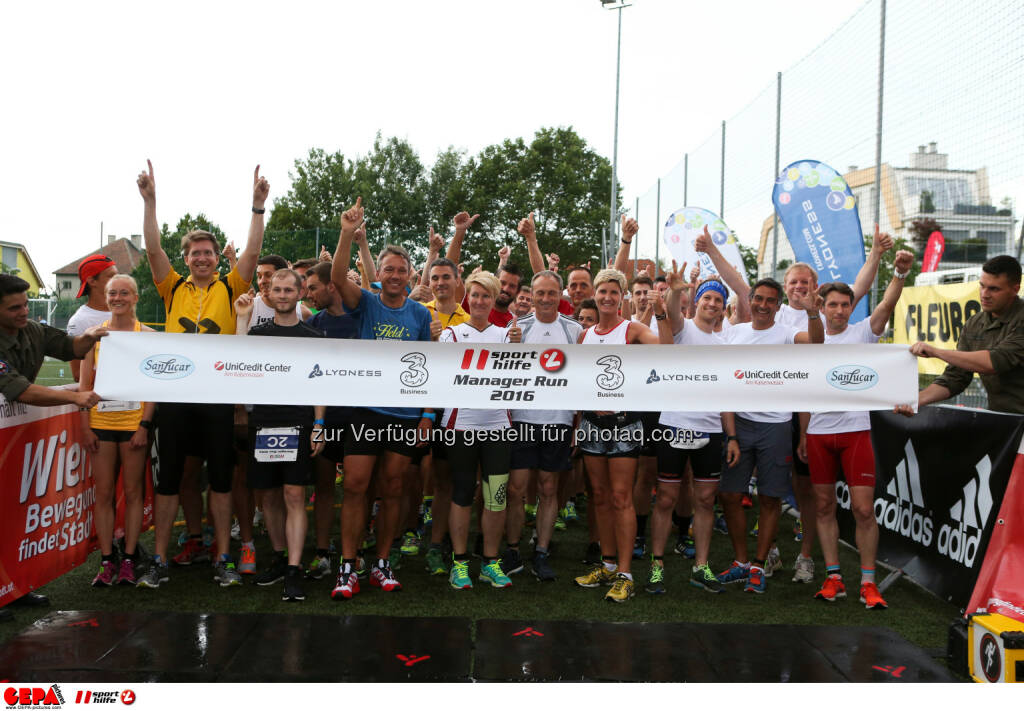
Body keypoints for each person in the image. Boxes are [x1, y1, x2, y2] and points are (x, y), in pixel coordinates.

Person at [134, 160, 268, 590]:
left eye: (209, 253)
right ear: (187, 258)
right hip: (174, 396)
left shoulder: (231, 285)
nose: (203, 258)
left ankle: (223, 557)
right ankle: (159, 560)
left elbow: (250, 251)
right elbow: (153, 249)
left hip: (216, 397)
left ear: (215, 258)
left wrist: (257, 207)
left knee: (222, 481)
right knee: (171, 478)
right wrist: (150, 202)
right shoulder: (171, 286)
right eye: (195, 254)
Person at [329, 197, 433, 599]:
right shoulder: (367, 301)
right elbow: (338, 278)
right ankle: (348, 565)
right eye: (387, 269)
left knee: (392, 488)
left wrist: (427, 415)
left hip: (405, 414)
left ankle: (382, 562)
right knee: (355, 485)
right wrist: (345, 232)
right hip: (365, 410)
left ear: (410, 275)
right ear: (380, 274)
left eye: (400, 270)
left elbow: (430, 369)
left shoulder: (420, 315)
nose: (393, 275)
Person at [775, 227, 892, 581]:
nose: (799, 287)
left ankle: (836, 568)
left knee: (853, 506)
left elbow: (869, 293)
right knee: (805, 494)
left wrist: (880, 258)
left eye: (805, 282)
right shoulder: (778, 313)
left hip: (845, 424)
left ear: (815, 288)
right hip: (799, 417)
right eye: (793, 282)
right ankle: (818, 568)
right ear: (787, 287)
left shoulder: (844, 318)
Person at [801, 249, 914, 610]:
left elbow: (884, 306)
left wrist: (898, 274)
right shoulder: (810, 337)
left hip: (855, 431)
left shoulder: (864, 332)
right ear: (822, 307)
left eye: (844, 305)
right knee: (823, 506)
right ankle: (834, 577)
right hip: (819, 432)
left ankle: (868, 582)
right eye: (832, 304)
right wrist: (804, 434)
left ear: (851, 307)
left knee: (864, 510)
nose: (838, 310)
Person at [0, 274, 106, 620]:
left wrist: (89, 337)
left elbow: (69, 347)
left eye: (25, 304)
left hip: (11, 441)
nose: (23, 311)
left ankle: (12, 589)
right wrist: (76, 398)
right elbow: (22, 391)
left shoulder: (31, 329)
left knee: (12, 516)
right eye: (14, 307)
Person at [645, 258, 748, 596]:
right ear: (698, 301)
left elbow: (726, 394)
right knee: (666, 498)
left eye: (718, 300)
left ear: (722, 307)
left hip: (710, 430)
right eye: (707, 298)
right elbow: (672, 317)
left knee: (705, 499)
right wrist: (676, 292)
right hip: (674, 425)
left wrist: (731, 435)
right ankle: (657, 566)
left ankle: (700, 568)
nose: (713, 304)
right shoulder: (684, 329)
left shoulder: (726, 344)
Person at [573, 268, 674, 603]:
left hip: (624, 424)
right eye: (602, 291)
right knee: (599, 497)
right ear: (595, 294)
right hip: (590, 424)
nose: (607, 297)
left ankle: (627, 574)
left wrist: (660, 310)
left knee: (621, 498)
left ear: (623, 296)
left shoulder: (631, 329)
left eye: (614, 292)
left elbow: (667, 349)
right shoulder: (584, 335)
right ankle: (608, 563)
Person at [717, 278, 823, 594]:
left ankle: (760, 566)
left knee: (770, 497)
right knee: (730, 495)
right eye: (759, 299)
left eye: (770, 301)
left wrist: (814, 313)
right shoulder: (733, 333)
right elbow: (722, 381)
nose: (763, 305)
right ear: (749, 301)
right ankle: (741, 563)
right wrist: (732, 435)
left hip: (776, 426)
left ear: (778, 306)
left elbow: (817, 342)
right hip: (739, 425)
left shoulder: (788, 334)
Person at [234, 270, 326, 602]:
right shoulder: (257, 333)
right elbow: (238, 367)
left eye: (289, 289)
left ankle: (294, 569)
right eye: (277, 289)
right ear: (268, 294)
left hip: (299, 423)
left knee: (294, 496)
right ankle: (278, 556)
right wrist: (242, 319)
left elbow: (321, 384)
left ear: (300, 292)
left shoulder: (313, 336)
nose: (284, 294)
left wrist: (319, 425)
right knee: (269, 496)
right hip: (265, 422)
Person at [439, 271, 523, 590]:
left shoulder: (506, 334)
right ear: (467, 298)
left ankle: (490, 562)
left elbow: (517, 379)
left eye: (485, 296)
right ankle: (460, 564)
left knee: (496, 497)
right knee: (462, 493)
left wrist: (517, 348)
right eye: (474, 295)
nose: (479, 301)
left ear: (493, 299)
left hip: (497, 426)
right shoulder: (452, 335)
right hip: (461, 425)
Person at [503, 270, 583, 582]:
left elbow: (581, 379)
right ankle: (512, 549)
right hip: (522, 419)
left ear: (561, 295)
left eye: (552, 293)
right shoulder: (515, 329)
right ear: (531, 295)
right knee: (516, 489)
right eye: (541, 293)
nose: (546, 299)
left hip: (558, 420)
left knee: (549, 489)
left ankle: (542, 551)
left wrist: (576, 424)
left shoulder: (574, 331)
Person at [78, 275, 155, 588]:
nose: (118, 298)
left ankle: (129, 558)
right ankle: (107, 559)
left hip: (133, 424)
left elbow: (153, 387)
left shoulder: (147, 335)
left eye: (124, 293)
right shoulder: (93, 336)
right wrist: (85, 427)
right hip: (102, 424)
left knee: (135, 492)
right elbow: (84, 385)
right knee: (105, 493)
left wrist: (144, 425)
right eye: (112, 293)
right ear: (105, 297)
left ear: (135, 297)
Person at [898, 255, 1024, 415]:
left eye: (994, 289)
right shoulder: (975, 323)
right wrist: (915, 401)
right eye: (982, 286)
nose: (984, 294)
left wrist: (936, 352)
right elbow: (956, 376)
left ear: (1015, 289)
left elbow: (995, 362)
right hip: (1003, 420)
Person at [303, 260, 361, 580]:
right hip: (326, 417)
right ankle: (323, 553)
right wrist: (318, 423)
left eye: (312, 287)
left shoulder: (361, 318)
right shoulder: (315, 323)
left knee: (356, 489)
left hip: (360, 418)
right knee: (324, 488)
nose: (307, 294)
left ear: (331, 286)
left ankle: (356, 552)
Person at [66, 254, 117, 380]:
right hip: (99, 398)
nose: (118, 280)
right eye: (111, 276)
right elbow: (78, 374)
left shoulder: (124, 312)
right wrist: (122, 375)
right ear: (92, 281)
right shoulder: (79, 321)